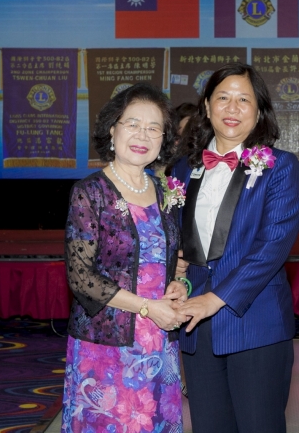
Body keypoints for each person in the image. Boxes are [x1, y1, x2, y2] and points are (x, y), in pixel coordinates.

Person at [175, 63, 299, 433]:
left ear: (259, 110)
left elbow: (271, 248)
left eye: (244, 100)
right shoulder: (183, 170)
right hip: (195, 324)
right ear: (206, 106)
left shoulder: (280, 167)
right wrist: (175, 271)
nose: (232, 108)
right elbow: (177, 239)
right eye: (223, 98)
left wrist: (215, 299)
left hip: (256, 323)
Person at [62, 83, 188, 432]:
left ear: (164, 139)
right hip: (107, 342)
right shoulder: (90, 192)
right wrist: (147, 307)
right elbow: (81, 278)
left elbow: (166, 260)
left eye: (153, 128)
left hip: (159, 337)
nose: (142, 135)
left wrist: (180, 284)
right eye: (132, 124)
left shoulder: (164, 190)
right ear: (112, 130)